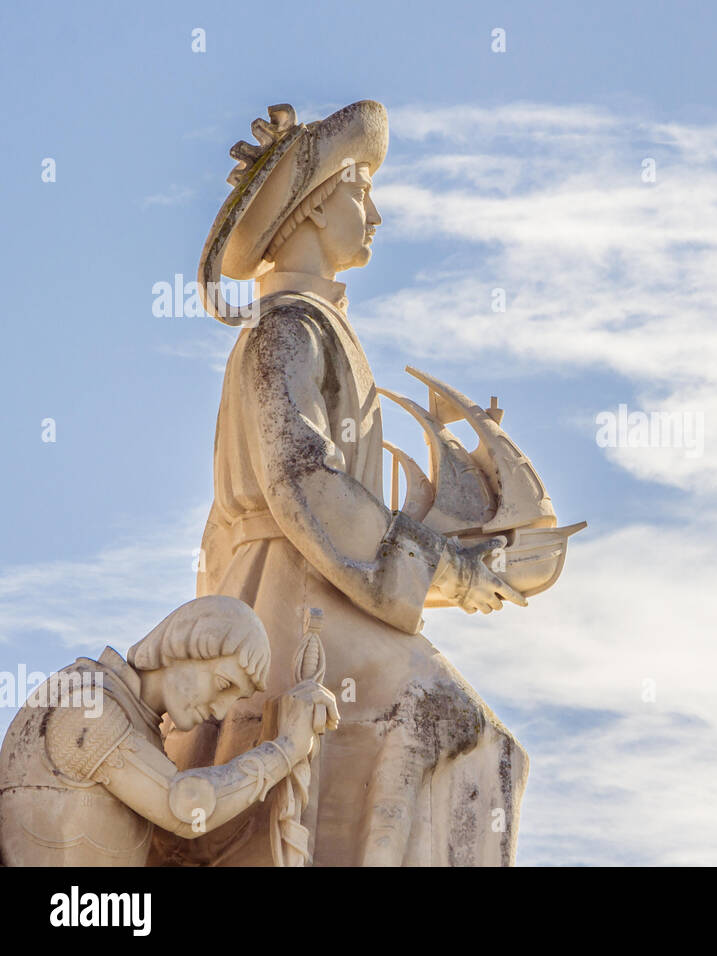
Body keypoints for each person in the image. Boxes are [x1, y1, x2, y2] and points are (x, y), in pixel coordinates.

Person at [170, 100, 528, 866]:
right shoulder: (285, 329)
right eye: (360, 193)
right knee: (448, 722)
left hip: (323, 588)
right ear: (310, 211)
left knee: (473, 738)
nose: (377, 214)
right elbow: (305, 481)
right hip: (295, 601)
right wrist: (443, 572)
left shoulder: (315, 327)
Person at [0, 596, 338, 866]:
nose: (220, 711)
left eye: (236, 699)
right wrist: (286, 748)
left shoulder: (140, 729)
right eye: (223, 684)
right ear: (183, 644)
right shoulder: (88, 703)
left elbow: (192, 846)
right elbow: (185, 807)